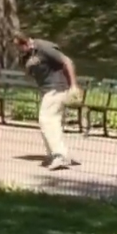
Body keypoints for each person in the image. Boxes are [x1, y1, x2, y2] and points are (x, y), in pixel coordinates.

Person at [13, 33, 83, 169]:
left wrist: (73, 85)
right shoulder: (27, 55)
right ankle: (56, 154)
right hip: (47, 90)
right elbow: (29, 71)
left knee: (46, 120)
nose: (19, 50)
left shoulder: (44, 47)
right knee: (51, 122)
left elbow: (67, 62)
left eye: (20, 47)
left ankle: (59, 155)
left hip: (57, 88)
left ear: (26, 42)